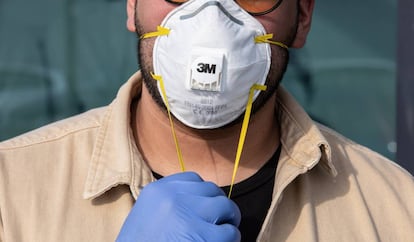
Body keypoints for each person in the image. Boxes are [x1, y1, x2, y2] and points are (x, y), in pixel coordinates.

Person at [1, 0, 413, 241]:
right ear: (132, 6)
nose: (210, 21)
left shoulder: (397, 211)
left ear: (302, 17)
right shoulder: (11, 193)